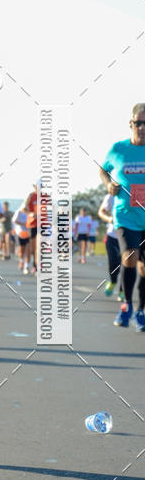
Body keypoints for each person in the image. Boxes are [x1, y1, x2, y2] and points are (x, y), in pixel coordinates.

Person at [100, 103, 145, 330]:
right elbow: (103, 168)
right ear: (131, 124)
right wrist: (109, 184)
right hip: (125, 216)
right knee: (130, 256)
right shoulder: (118, 149)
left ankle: (141, 310)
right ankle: (126, 305)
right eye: (138, 123)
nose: (142, 127)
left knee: (144, 268)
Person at [98, 193, 122, 298]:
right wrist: (109, 219)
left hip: (128, 236)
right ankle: (113, 282)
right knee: (113, 263)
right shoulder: (111, 195)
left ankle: (123, 290)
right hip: (112, 236)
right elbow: (101, 212)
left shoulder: (135, 193)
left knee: (126, 265)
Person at [12, 205, 31, 274]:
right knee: (22, 250)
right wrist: (23, 224)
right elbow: (14, 221)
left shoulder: (30, 212)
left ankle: (27, 266)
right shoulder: (19, 212)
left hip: (29, 233)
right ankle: (21, 261)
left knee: (28, 250)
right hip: (20, 233)